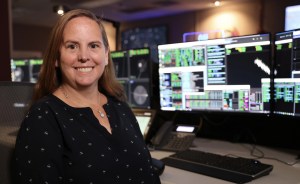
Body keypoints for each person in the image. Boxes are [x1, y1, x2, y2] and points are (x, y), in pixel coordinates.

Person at [13, 9, 161, 184]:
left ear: (106, 55)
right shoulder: (43, 118)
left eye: (93, 46)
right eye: (72, 46)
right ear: (56, 58)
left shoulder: (120, 108)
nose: (84, 56)